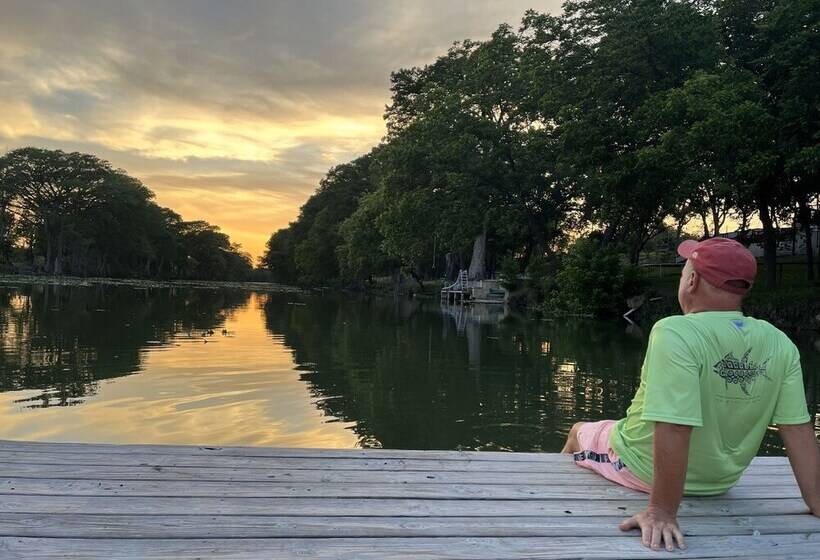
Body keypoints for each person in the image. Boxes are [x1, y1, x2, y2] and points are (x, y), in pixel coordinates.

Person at [561, 237, 819, 551]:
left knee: (579, 431)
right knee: (621, 423)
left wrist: (661, 511)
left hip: (640, 469)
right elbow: (797, 428)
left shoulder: (675, 331)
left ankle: (561, 488)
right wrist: (817, 501)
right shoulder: (780, 343)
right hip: (720, 481)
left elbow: (675, 425)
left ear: (692, 280)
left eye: (684, 272)